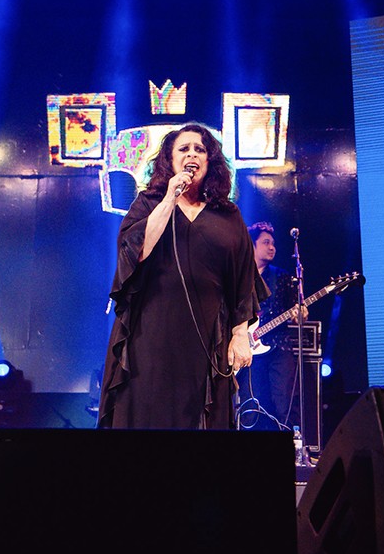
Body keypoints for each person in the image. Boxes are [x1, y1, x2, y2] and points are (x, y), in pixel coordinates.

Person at [98, 122, 266, 429]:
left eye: (199, 149)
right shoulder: (149, 203)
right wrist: (169, 198)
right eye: (184, 149)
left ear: (209, 161)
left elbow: (243, 279)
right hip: (151, 334)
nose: (192, 154)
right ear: (170, 160)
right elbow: (136, 252)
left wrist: (240, 334)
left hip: (207, 336)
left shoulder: (228, 214)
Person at [248, 221, 307, 429]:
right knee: (255, 404)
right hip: (250, 351)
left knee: (284, 403)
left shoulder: (282, 277)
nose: (272, 247)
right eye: (265, 242)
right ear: (252, 245)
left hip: (279, 347)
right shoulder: (241, 276)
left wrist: (300, 314)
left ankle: (291, 448)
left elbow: (297, 312)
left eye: (273, 243)